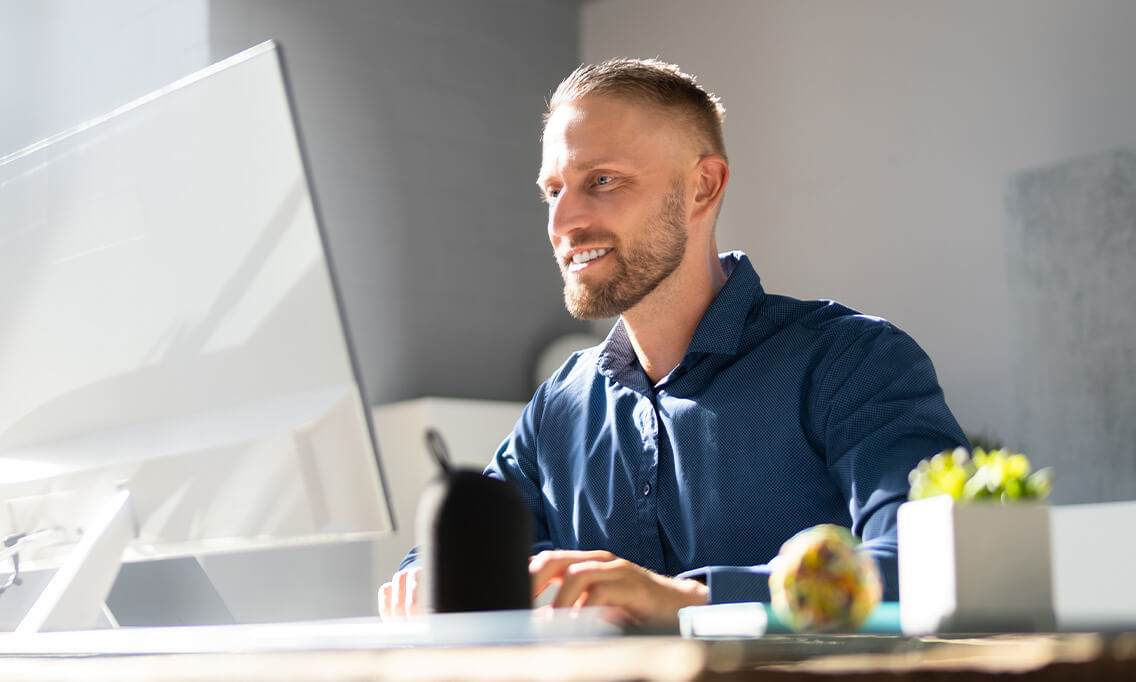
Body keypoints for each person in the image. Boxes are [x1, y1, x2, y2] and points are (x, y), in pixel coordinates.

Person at [379, 58, 967, 625]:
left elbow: (931, 564)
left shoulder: (852, 362)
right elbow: (463, 549)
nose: (562, 223)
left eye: (602, 181)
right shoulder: (558, 407)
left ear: (702, 187)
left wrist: (696, 600)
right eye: (553, 191)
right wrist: (429, 575)